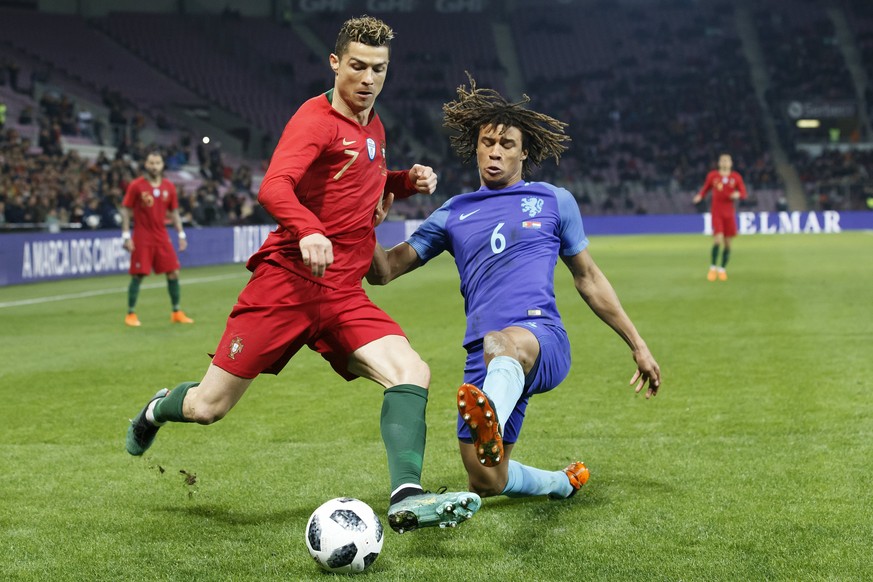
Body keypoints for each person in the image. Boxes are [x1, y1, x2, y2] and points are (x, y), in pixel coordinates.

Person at [124, 15, 480, 534]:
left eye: (378, 69)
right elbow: (274, 187)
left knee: (412, 371)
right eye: (357, 66)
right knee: (208, 406)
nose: (367, 79)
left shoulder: (374, 125)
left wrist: (404, 181)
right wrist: (309, 230)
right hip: (287, 284)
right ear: (335, 63)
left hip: (341, 292)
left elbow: (359, 181)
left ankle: (406, 495)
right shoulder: (313, 120)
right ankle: (156, 410)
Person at [367, 77, 661, 502]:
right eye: (488, 142)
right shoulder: (453, 213)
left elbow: (589, 278)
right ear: (476, 147)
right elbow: (384, 272)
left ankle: (492, 413)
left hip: (540, 340)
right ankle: (561, 483)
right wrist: (366, 226)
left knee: (501, 342)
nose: (496, 151)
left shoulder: (553, 200)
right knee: (486, 480)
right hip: (482, 360)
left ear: (524, 152)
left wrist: (638, 344)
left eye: (507, 144)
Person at [120, 151, 194, 326]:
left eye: (158, 163)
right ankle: (130, 314)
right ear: (146, 165)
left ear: (162, 165)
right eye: (151, 163)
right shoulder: (136, 185)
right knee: (138, 275)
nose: (154, 166)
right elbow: (125, 209)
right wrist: (125, 236)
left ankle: (176, 311)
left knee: (174, 272)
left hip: (161, 235)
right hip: (142, 236)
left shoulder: (169, 186)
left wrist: (181, 234)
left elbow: (174, 212)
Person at [692, 153, 747, 281]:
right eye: (722, 160)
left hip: (729, 214)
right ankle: (712, 268)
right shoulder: (713, 176)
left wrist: (737, 195)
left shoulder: (736, 177)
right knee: (718, 240)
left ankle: (722, 269)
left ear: (731, 163)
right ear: (719, 163)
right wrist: (699, 196)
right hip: (717, 212)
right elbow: (705, 189)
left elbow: (743, 193)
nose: (724, 162)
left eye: (727, 160)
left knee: (728, 244)